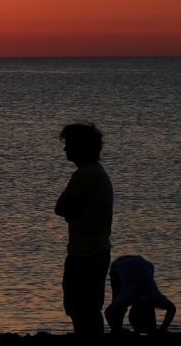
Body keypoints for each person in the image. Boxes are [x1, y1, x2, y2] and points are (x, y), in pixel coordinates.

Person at [55, 122, 114, 337]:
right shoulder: (96, 173)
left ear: (81, 146)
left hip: (85, 254)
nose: (65, 149)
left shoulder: (83, 175)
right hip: (97, 250)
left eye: (69, 144)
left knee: (78, 307)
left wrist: (71, 212)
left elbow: (60, 207)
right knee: (89, 307)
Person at [105, 255, 176, 335]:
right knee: (120, 308)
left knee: (122, 305)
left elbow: (172, 309)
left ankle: (150, 329)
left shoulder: (155, 296)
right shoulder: (126, 296)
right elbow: (108, 312)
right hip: (119, 265)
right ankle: (117, 330)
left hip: (144, 264)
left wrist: (162, 329)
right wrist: (116, 331)